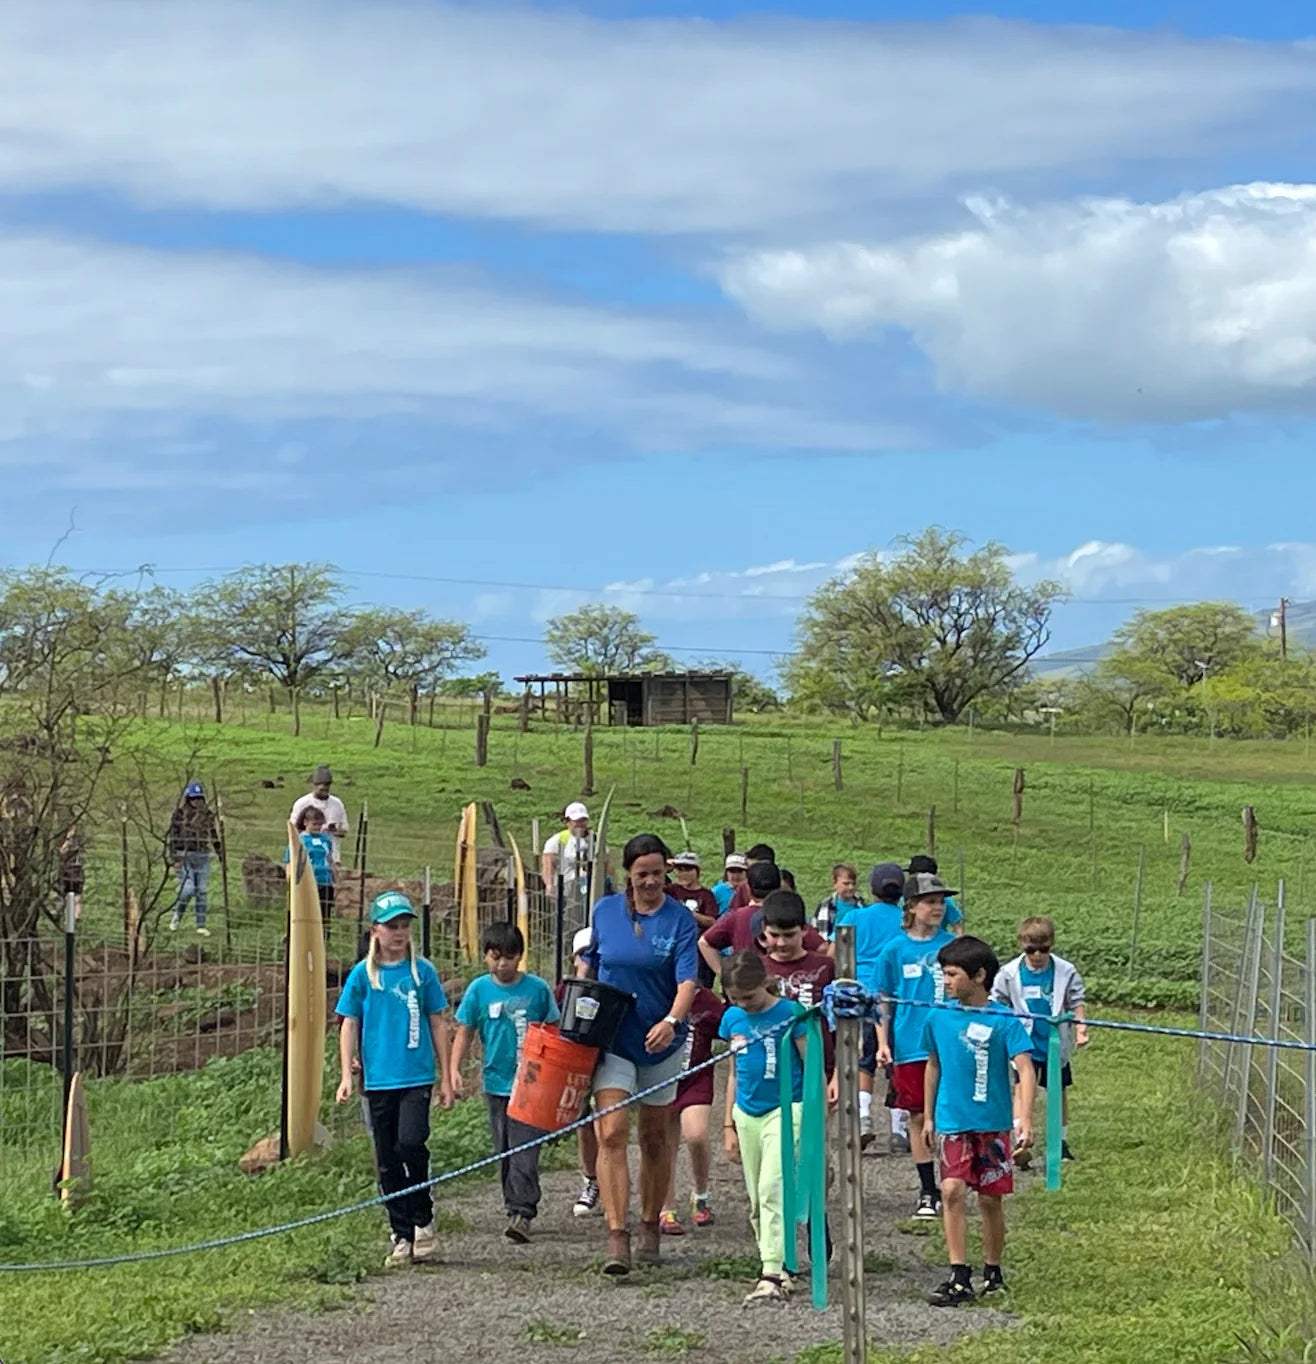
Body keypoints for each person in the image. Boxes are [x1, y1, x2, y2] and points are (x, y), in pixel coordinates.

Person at [580, 832, 700, 1275]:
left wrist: (671, 1021)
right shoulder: (605, 910)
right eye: (641, 874)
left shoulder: (680, 921)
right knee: (611, 1131)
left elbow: (688, 980)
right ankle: (617, 1233)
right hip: (614, 1038)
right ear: (627, 875)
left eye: (657, 873)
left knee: (653, 1136)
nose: (650, 882)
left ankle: (650, 1222)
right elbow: (589, 964)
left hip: (661, 1039)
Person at [334, 891, 455, 1267]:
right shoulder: (362, 975)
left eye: (404, 926)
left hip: (415, 1075)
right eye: (392, 926)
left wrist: (447, 1075)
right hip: (377, 1079)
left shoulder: (423, 972)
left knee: (411, 1143)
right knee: (386, 1158)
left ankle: (423, 1216)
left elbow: (438, 1021)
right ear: (375, 930)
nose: (399, 933)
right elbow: (349, 1021)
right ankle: (401, 1233)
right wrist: (345, 1073)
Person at [922, 935, 1035, 1306]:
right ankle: (958, 1274)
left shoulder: (1004, 1020)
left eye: (952, 974)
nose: (946, 981)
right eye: (944, 973)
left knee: (990, 1199)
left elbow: (1024, 1068)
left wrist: (1025, 1119)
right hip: (953, 1120)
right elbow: (933, 1064)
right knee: (952, 1190)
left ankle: (993, 1270)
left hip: (993, 1123)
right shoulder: (937, 1016)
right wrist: (928, 1116)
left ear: (979, 976)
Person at [452, 922, 559, 1243]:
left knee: (525, 1148)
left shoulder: (538, 989)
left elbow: (553, 1028)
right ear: (485, 956)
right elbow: (465, 1030)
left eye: (510, 957)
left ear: (520, 957)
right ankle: (511, 1202)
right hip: (495, 1082)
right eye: (496, 957)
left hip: (531, 1084)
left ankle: (522, 1210)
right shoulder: (478, 990)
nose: (503, 965)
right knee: (504, 1149)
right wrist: (454, 1069)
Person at [720, 950, 813, 1305]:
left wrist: (816, 1121)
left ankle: (770, 1273)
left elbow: (811, 1066)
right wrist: (728, 1123)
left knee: (773, 1187)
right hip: (747, 1113)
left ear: (764, 983)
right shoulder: (732, 1020)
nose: (744, 1005)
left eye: (749, 997)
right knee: (758, 1199)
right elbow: (731, 1073)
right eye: (735, 999)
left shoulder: (791, 1013)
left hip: (787, 1109)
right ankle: (779, 1263)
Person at [875, 872, 957, 1219]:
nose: (938, 908)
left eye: (941, 902)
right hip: (911, 1044)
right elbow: (882, 998)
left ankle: (955, 1179)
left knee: (951, 1113)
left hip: (950, 1041)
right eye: (930, 902)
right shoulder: (894, 949)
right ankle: (928, 1188)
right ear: (911, 906)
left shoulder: (951, 946)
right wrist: (882, 1041)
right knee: (918, 1114)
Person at [992, 916, 1088, 1162]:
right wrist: (1003, 1028)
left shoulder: (1065, 971)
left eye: (1043, 949)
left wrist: (1080, 1028)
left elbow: (1076, 999)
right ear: (1020, 945)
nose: (1037, 955)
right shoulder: (1009, 973)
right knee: (1023, 1089)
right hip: (1024, 1042)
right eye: (1030, 949)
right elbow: (998, 1001)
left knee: (1058, 1091)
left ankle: (1060, 1141)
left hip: (1055, 1041)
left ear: (1052, 944)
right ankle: (1020, 1140)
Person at [829, 862, 907, 1153]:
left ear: (872, 889)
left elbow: (839, 952)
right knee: (897, 1058)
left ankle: (863, 1118)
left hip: (861, 992)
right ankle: (898, 1128)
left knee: (865, 1058)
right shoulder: (906, 919)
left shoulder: (854, 916)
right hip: (898, 995)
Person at [659, 982, 725, 1236]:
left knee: (696, 1135)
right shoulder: (658, 991)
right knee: (664, 1142)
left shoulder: (706, 1000)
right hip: (663, 1075)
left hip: (696, 1077)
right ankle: (666, 1207)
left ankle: (700, 1194)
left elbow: (728, 1026)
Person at [698, 861, 826, 978]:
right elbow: (822, 947)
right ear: (779, 885)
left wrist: (726, 976)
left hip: (746, 989)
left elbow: (705, 943)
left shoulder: (737, 917)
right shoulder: (787, 914)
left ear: (748, 888)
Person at [559, 927, 603, 1218]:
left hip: (609, 1056)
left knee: (608, 1120)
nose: (590, 962)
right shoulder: (565, 989)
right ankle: (591, 1180)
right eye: (583, 956)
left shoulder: (615, 985)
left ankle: (611, 1179)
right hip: (577, 1060)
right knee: (583, 1121)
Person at [166, 782, 223, 936]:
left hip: (202, 855)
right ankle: (177, 915)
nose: (196, 802)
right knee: (188, 889)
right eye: (193, 799)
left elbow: (213, 835)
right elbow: (173, 836)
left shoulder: (207, 815)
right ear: (188, 799)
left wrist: (220, 854)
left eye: (199, 798)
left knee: (202, 891)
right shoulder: (179, 814)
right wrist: (174, 858)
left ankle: (200, 924)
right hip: (184, 855)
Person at [281, 805, 337, 931]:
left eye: (320, 824)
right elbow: (290, 861)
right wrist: (290, 879)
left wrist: (334, 876)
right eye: (314, 824)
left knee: (324, 914)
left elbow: (329, 858)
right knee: (301, 912)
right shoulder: (299, 840)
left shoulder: (326, 840)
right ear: (305, 823)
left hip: (324, 882)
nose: (317, 827)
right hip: (305, 882)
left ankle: (323, 939)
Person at [669, 851, 720, 986]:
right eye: (680, 869)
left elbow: (712, 922)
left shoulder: (706, 895)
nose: (683, 873)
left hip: (697, 951)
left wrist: (689, 914)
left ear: (697, 871)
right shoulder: (671, 890)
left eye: (688, 869)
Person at [542, 802, 595, 923]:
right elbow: (547, 864)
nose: (580, 825)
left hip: (587, 888)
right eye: (577, 821)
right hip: (565, 889)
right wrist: (549, 885)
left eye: (583, 820)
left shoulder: (593, 839)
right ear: (568, 822)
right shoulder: (558, 840)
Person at [290, 765, 350, 866]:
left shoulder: (337, 804)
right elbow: (293, 828)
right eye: (320, 787)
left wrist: (334, 829)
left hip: (331, 857)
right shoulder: (302, 803)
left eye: (326, 786)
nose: (324, 789)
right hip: (307, 855)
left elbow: (344, 828)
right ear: (314, 785)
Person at [905, 855, 964, 934]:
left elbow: (958, 928)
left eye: (941, 902)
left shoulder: (902, 900)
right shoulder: (947, 901)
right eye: (931, 902)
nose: (938, 906)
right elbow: (958, 928)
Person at [813, 862, 863, 939]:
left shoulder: (861, 906)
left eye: (853, 883)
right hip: (831, 945)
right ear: (834, 884)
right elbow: (817, 928)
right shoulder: (825, 906)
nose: (851, 887)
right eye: (846, 884)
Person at [726, 843, 776, 913]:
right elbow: (732, 913)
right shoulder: (743, 888)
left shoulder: (783, 886)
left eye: (755, 868)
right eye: (748, 868)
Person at [57, 823, 85, 921]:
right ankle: (68, 915)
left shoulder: (77, 841)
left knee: (77, 896)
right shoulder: (66, 841)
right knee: (69, 895)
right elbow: (62, 851)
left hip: (75, 872)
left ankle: (76, 914)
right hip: (68, 872)